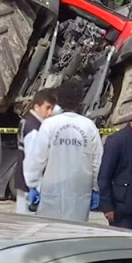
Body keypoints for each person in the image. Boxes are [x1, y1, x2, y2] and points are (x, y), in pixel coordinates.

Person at [24, 80, 103, 222]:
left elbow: (37, 158)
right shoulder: (89, 126)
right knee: (74, 236)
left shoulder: (49, 124)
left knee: (50, 233)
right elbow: (97, 161)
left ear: (58, 101)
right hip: (79, 194)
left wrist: (33, 184)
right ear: (80, 100)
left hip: (51, 191)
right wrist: (96, 187)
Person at [15, 89, 57, 214]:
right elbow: (32, 159)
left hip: (22, 180)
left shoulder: (26, 121)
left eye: (52, 109)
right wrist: (35, 186)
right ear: (37, 106)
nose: (50, 113)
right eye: (47, 108)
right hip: (29, 184)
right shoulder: (35, 130)